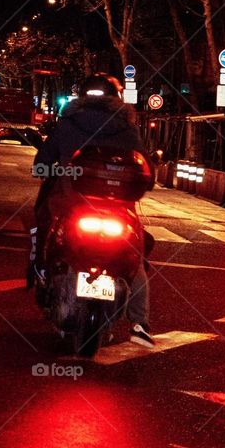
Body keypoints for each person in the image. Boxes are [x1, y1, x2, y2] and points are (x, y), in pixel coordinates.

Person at [30, 73, 155, 347]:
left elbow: (42, 161)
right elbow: (146, 167)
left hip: (70, 200)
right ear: (116, 97)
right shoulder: (127, 127)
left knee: (43, 226)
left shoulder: (68, 122)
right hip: (119, 207)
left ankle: (39, 269)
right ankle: (139, 323)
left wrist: (47, 169)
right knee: (135, 255)